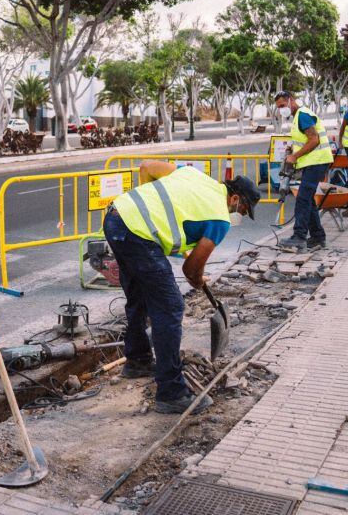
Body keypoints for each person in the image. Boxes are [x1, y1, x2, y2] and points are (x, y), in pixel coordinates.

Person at [104, 161, 261, 414]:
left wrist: (148, 217)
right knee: (170, 306)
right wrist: (198, 281)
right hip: (136, 234)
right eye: (242, 209)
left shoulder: (193, 174)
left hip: (116, 217)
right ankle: (171, 392)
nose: (239, 214)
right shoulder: (220, 220)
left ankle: (138, 361)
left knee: (139, 295)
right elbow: (191, 271)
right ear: (234, 198)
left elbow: (146, 168)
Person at [273, 90, 334, 252]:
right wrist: (293, 148)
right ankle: (318, 237)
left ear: (291, 100)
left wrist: (295, 156)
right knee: (308, 200)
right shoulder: (297, 117)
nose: (281, 109)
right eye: (278, 107)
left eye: (282, 105)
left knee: (302, 198)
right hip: (313, 162)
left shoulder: (303, 115)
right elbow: (305, 139)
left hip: (318, 160)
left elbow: (314, 139)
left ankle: (299, 237)